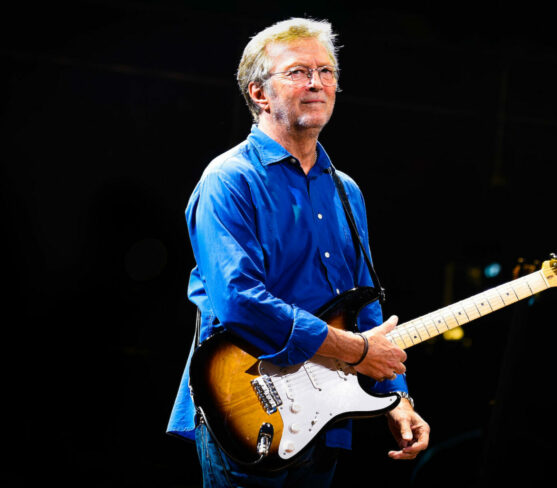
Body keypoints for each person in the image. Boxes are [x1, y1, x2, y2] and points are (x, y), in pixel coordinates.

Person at [167, 17, 430, 487]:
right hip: (246, 410)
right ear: (259, 94)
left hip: (324, 416)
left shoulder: (346, 191)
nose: (316, 83)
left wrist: (397, 397)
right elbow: (238, 302)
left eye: (326, 72)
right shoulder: (229, 179)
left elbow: (365, 309)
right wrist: (353, 350)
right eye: (298, 72)